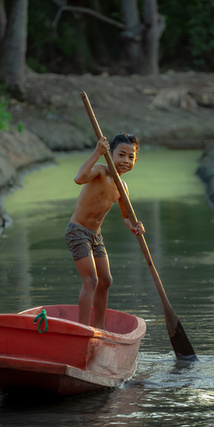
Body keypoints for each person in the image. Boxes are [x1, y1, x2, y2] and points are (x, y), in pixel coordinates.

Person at [64, 133, 145, 329]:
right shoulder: (100, 171)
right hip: (77, 231)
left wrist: (135, 226)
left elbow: (126, 216)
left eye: (131, 157)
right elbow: (79, 178)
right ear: (110, 154)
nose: (126, 160)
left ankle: (99, 328)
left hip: (95, 236)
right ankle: (82, 329)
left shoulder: (122, 187)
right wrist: (97, 153)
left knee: (106, 280)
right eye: (121, 155)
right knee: (91, 280)